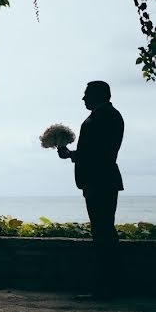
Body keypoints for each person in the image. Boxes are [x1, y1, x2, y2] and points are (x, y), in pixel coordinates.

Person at [57, 80, 123, 298]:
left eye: (86, 94)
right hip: (101, 180)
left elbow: (99, 154)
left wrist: (72, 156)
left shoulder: (104, 117)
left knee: (103, 234)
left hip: (100, 181)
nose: (83, 99)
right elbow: (95, 151)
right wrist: (71, 154)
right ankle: (107, 286)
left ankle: (106, 288)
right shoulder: (108, 116)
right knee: (103, 232)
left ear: (98, 95)